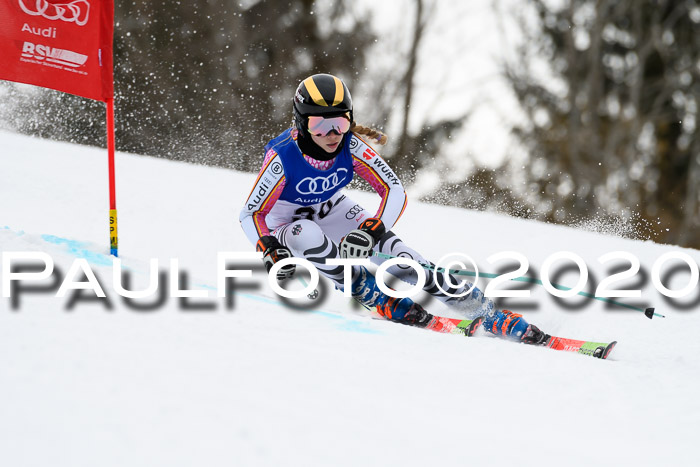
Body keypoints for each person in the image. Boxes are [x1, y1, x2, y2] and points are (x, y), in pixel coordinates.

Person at [240, 73, 548, 344]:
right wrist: (269, 247)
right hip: (286, 223)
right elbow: (251, 213)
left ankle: (483, 310)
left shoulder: (351, 146)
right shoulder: (283, 158)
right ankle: (369, 291)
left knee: (405, 262)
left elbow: (394, 191)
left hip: (332, 208)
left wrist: (373, 229)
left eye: (340, 122)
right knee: (303, 232)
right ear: (301, 123)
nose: (332, 134)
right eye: (320, 125)